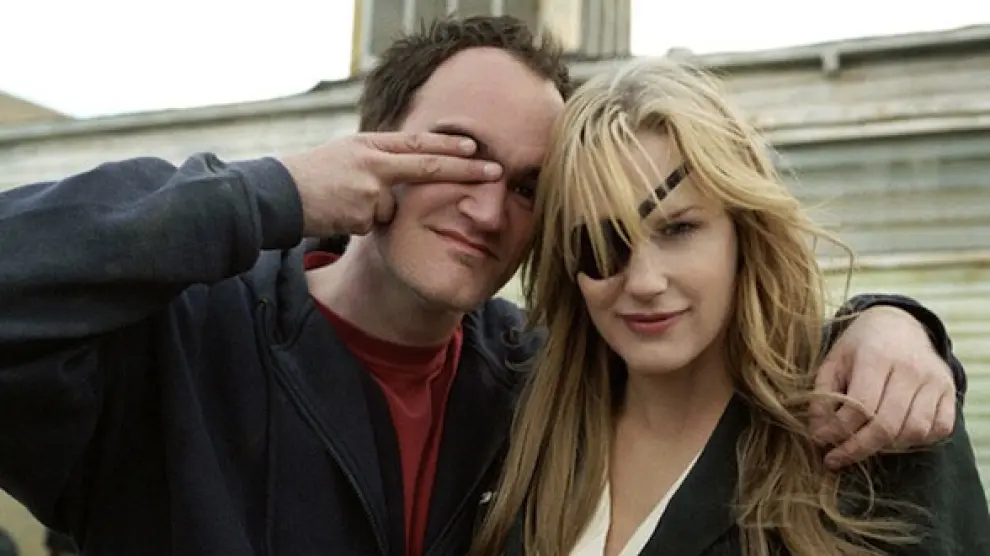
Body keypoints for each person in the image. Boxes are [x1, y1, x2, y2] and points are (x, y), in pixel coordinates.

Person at [0, 15, 967, 556]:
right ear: (371, 145)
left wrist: (888, 323)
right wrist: (271, 193)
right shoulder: (173, 339)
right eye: (456, 154)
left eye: (529, 187)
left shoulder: (527, 388)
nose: (487, 205)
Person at [470, 57, 989, 556]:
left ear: (744, 230)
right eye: (601, 243)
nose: (645, 282)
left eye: (678, 229)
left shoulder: (872, 421)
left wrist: (893, 320)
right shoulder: (516, 428)